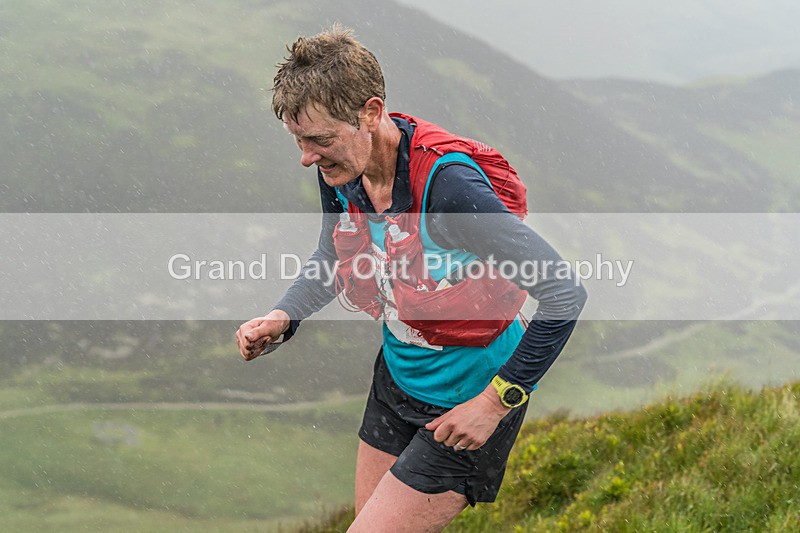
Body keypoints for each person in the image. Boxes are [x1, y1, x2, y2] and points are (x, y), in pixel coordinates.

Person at [235, 26, 587, 531]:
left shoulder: (450, 190)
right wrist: (283, 316)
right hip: (395, 385)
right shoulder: (343, 170)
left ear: (371, 113)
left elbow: (564, 293)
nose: (307, 157)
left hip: (469, 403)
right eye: (299, 140)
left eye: (319, 140)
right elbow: (335, 256)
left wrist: (494, 404)